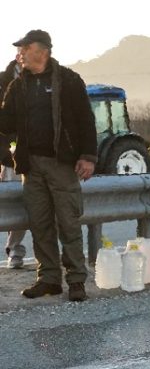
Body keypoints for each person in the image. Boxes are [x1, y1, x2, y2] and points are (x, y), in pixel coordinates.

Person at [0, 30, 97, 302]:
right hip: (31, 167)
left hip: (62, 164)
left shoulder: (69, 80)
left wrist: (88, 156)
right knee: (40, 225)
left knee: (68, 223)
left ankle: (76, 280)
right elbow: (5, 123)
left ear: (41, 51)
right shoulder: (17, 86)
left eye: (23, 48)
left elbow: (86, 121)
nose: (19, 53)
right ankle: (49, 279)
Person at [0, 48, 26, 269]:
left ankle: (48, 257)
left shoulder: (48, 80)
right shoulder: (3, 82)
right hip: (11, 158)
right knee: (15, 206)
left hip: (42, 155)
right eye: (22, 51)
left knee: (44, 206)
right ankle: (15, 251)